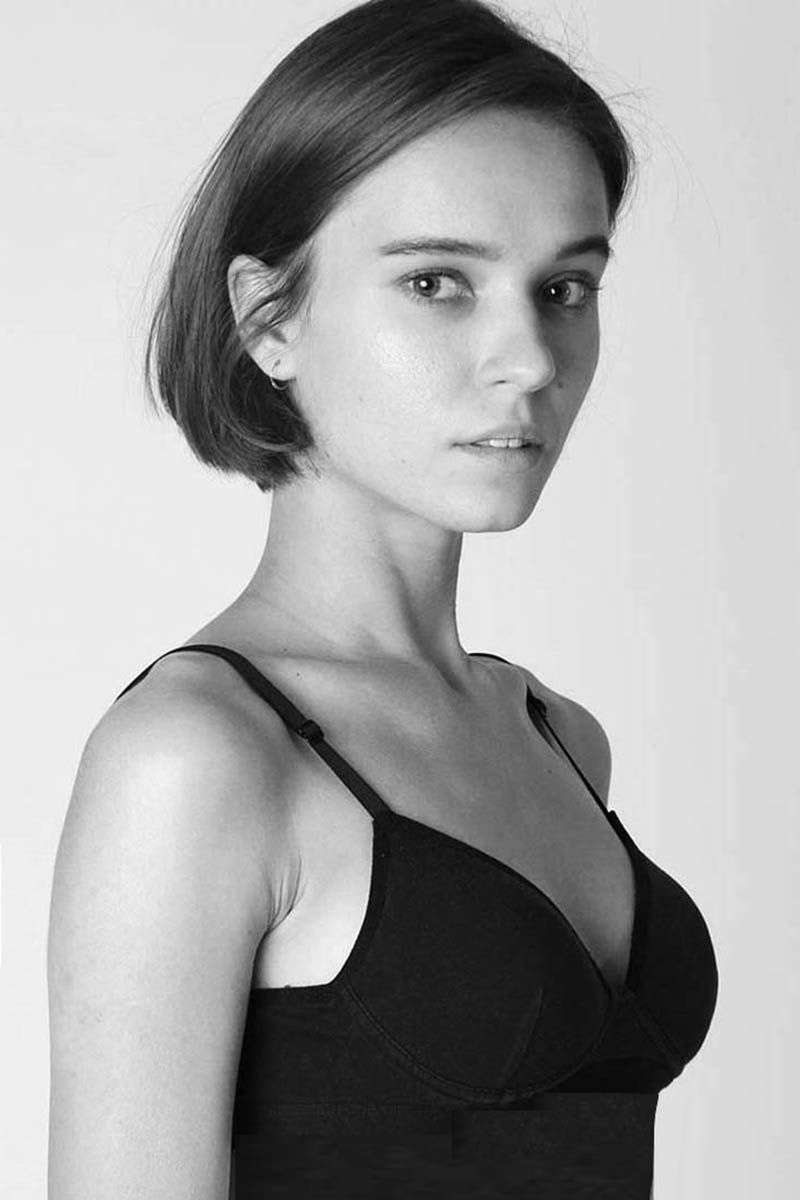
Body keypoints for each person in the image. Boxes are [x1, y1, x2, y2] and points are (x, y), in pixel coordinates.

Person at [47, 1, 719, 1196]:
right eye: (436, 282)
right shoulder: (197, 757)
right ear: (267, 318)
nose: (529, 360)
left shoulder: (557, 737)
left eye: (563, 288)